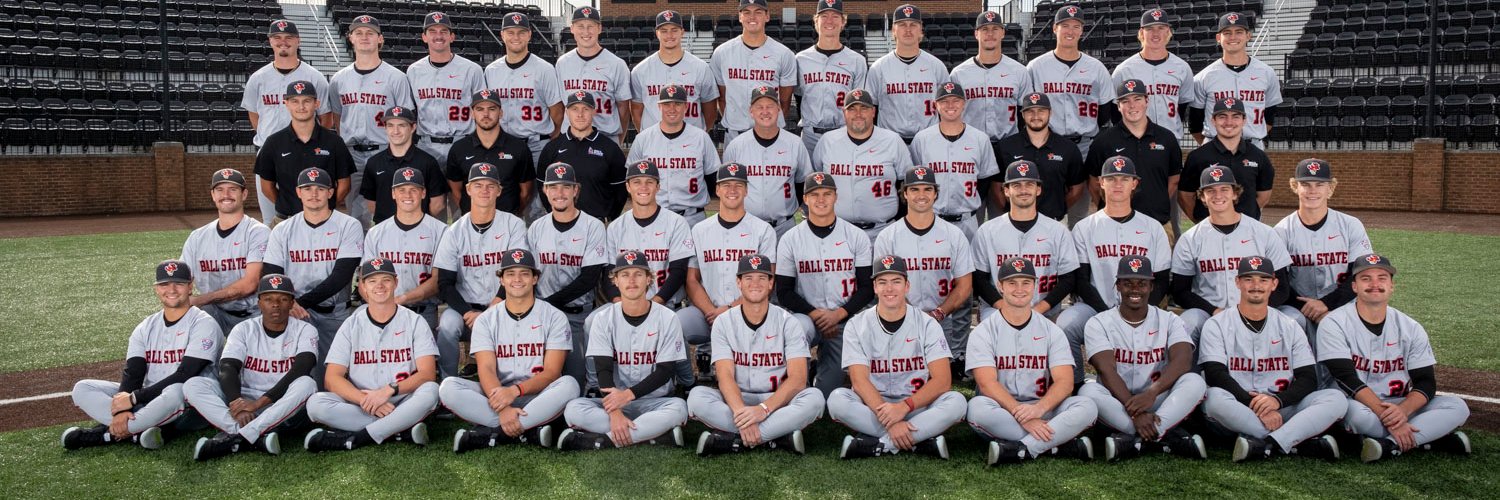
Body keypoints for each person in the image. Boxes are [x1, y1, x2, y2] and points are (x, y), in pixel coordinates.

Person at [1318, 254, 1472, 462]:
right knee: (1358, 416)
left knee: (1457, 406)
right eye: (1366, 278)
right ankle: (1430, 438)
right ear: (1354, 286)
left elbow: (1426, 382)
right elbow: (1346, 379)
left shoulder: (1410, 326)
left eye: (1382, 278)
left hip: (1398, 404)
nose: (1375, 284)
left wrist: (1402, 412)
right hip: (1358, 403)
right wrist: (1390, 418)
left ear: (1392, 286)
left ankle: (1388, 445)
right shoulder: (1334, 323)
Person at [62, 260, 222, 451]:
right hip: (147, 399)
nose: (171, 289)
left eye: (178, 283)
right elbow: (134, 373)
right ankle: (136, 428)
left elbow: (186, 374)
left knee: (178, 390)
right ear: (156, 289)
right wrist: (124, 408)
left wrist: (133, 400)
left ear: (190, 286)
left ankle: (106, 435)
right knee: (83, 388)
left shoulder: (203, 323)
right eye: (164, 284)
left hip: (190, 403)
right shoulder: (146, 326)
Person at [1198, 256, 1344, 462]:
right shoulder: (1217, 324)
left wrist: (1277, 401)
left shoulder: (1290, 325)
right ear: (1237, 282)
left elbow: (1308, 377)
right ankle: (1295, 441)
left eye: (1263, 279)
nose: (1256, 285)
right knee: (1213, 397)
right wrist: (1254, 404)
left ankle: (1268, 443)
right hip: (1241, 405)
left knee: (1335, 398)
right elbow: (1215, 374)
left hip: (1283, 405)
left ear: (1274, 284)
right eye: (1249, 279)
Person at [442, 249, 580, 452]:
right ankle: (530, 430)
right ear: (501, 280)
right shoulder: (486, 320)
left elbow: (552, 372)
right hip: (496, 397)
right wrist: (504, 407)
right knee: (448, 387)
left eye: (524, 273)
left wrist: (515, 391)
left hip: (539, 395)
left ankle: (494, 434)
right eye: (510, 273)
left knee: (569, 385)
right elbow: (486, 369)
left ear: (535, 278)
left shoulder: (554, 316)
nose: (517, 279)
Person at [829, 256, 965, 459]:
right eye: (882, 282)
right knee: (837, 400)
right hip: (874, 409)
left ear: (907, 286)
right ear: (874, 287)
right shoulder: (857, 324)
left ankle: (880, 444)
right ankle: (920, 442)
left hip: (917, 406)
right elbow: (859, 381)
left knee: (957, 401)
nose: (889, 288)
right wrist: (891, 420)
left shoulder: (927, 323)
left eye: (896, 282)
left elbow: (943, 381)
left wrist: (904, 407)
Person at [688, 254, 824, 456]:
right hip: (736, 400)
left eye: (762, 277)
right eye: (748, 278)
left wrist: (763, 410)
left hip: (777, 401)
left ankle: (734, 440)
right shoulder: (724, 322)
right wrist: (741, 413)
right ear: (738, 282)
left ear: (771, 283)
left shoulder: (789, 322)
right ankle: (774, 438)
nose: (755, 283)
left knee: (815, 398)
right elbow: (725, 377)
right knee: (697, 398)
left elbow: (798, 380)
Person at [967, 257, 1097, 464]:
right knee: (976, 408)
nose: (1020, 289)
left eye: (1026, 282)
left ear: (1035, 286)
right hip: (1003, 410)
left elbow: (1065, 383)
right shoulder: (984, 331)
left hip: (1044, 408)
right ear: (1000, 286)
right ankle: (1059, 445)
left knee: (1087, 405)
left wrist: (1038, 410)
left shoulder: (1052, 331)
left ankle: (1022, 449)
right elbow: (986, 383)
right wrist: (1024, 417)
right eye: (1012, 283)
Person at [1079, 256, 1208, 460]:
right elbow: (1106, 370)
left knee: (1194, 381)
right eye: (1128, 283)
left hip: (1158, 399)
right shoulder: (1098, 322)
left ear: (1151, 286)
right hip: (1117, 403)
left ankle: (1135, 440)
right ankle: (1166, 437)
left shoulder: (1169, 320)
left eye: (1142, 283)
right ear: (1118, 285)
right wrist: (1136, 413)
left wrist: (1152, 393)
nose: (1135, 289)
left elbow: (1183, 361)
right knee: (1088, 391)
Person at [304, 259, 440, 452]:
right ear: (363, 287)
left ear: (396, 283)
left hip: (402, 399)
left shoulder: (414, 321)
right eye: (372, 281)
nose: (380, 286)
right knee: (315, 404)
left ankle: (356, 439)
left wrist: (387, 391)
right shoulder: (352, 324)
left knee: (431, 391)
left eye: (386, 279)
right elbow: (332, 378)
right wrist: (364, 400)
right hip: (362, 403)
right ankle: (400, 430)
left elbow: (427, 374)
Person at [558, 251, 690, 450]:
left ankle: (602, 441)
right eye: (625, 275)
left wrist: (627, 395)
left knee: (679, 409)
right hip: (614, 401)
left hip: (656, 401)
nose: (632, 280)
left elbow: (665, 371)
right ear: (616, 281)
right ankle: (654, 436)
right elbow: (603, 371)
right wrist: (615, 412)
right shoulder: (602, 319)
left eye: (638, 274)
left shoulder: (668, 317)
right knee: (573, 409)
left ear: (648, 280)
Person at [1057, 156, 1171, 382]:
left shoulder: (1152, 228)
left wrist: (1139, 313)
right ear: (1101, 182)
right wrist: (1109, 315)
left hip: (1143, 309)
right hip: (1095, 308)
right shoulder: (1085, 228)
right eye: (1111, 178)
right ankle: (1075, 385)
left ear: (1134, 183)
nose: (1118, 184)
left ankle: (1157, 385)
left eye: (1124, 178)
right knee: (1066, 325)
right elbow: (1081, 279)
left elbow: (1161, 280)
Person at [184, 274, 318, 460]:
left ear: (292, 303)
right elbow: (228, 367)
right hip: (244, 401)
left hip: (281, 404)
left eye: (283, 299)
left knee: (306, 384)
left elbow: (301, 369)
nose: (275, 304)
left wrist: (258, 404)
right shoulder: (244, 329)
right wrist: (236, 402)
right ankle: (255, 435)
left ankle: (236, 437)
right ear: (259, 302)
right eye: (268, 299)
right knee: (193, 384)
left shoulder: (305, 330)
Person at [775, 172, 873, 396]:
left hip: (843, 319)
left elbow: (867, 289)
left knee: (827, 393)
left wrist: (838, 314)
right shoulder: (791, 238)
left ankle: (819, 371)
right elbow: (783, 292)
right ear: (805, 199)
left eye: (827, 194)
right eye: (814, 194)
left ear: (835, 197)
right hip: (806, 318)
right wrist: (815, 314)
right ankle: (797, 374)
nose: (821, 199)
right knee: (796, 328)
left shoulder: (856, 236)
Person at [873, 167, 975, 381]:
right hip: (897, 318)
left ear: (936, 193)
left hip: (941, 319)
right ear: (905, 194)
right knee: (899, 380)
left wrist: (938, 314)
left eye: (927, 189)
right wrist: (913, 316)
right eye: (915, 189)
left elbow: (965, 286)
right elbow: (882, 285)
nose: (921, 195)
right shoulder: (888, 236)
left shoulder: (954, 235)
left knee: (937, 384)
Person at [600, 160, 696, 386]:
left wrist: (657, 301)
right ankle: (597, 384)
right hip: (624, 305)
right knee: (593, 322)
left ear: (657, 186)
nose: (643, 187)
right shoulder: (616, 227)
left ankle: (686, 382)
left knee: (677, 325)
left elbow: (679, 270)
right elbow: (607, 272)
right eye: (637, 182)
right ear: (628, 186)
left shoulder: (676, 222)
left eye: (649, 182)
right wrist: (617, 302)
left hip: (665, 303)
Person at [1171, 166, 1292, 346]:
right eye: (1210, 190)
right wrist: (1213, 310)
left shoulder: (1263, 233)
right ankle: (1190, 375)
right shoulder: (1190, 239)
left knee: (1295, 319)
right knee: (1187, 323)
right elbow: (1180, 291)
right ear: (1202, 197)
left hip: (1259, 308)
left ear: (1235, 194)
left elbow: (1282, 286)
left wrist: (1255, 310)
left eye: (1224, 189)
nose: (1217, 195)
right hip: (1210, 313)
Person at [679, 163, 778, 381]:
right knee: (678, 322)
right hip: (708, 313)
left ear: (746, 190)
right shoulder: (699, 230)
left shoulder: (762, 230)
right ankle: (686, 380)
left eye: (738, 185)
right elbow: (692, 280)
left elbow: (767, 281)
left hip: (749, 310)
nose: (732, 190)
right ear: (717, 189)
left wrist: (729, 309)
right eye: (726, 185)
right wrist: (711, 311)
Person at [261, 167, 364, 372]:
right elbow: (272, 275)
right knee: (291, 374)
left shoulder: (349, 225)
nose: (314, 193)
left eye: (320, 188)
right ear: (298, 192)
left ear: (331, 192)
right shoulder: (283, 229)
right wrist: (290, 305)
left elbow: (340, 277)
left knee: (332, 375)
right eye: (307, 188)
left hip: (333, 315)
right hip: (293, 313)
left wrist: (298, 303)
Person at [434, 163, 530, 379]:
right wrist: (468, 313)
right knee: (448, 327)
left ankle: (510, 380)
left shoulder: (513, 225)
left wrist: (491, 310)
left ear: (499, 190)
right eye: (478, 185)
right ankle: (446, 384)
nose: (484, 190)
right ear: (468, 189)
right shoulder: (454, 231)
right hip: (464, 309)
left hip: (504, 303)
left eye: (490, 185)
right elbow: (444, 283)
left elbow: (518, 275)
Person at [1028, 4, 1116, 226]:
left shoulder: (1096, 68)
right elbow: (1028, 109)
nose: (1070, 30)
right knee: (1045, 208)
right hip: (1048, 144)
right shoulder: (1036, 67)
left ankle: (1078, 259)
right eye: (1065, 25)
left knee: (1079, 214)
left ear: (1082, 31)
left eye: (1076, 26)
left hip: (1084, 145)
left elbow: (1105, 110)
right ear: (1055, 29)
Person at [527, 163, 609, 391]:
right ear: (545, 191)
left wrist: (548, 304)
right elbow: (529, 274)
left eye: (566, 186)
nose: (559, 193)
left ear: (576, 190)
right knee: (536, 378)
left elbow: (590, 278)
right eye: (553, 187)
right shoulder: (536, 228)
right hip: (541, 317)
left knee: (575, 380)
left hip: (576, 316)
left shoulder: (593, 226)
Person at [328, 14, 415, 227]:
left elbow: (407, 118)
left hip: (386, 151)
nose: (364, 37)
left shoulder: (396, 77)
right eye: (359, 33)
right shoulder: (339, 79)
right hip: (352, 154)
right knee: (356, 215)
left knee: (393, 211)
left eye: (370, 33)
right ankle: (361, 259)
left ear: (380, 39)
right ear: (351, 38)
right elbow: (337, 117)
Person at [971, 161, 1079, 329]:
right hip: (998, 309)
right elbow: (978, 278)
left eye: (1029, 184)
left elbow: (1068, 279)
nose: (1023, 190)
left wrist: (1038, 309)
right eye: (1016, 185)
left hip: (1046, 311)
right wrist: (1003, 307)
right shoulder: (987, 231)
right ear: (1006, 190)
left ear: (1038, 189)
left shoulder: (1057, 231)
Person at [242, 19, 331, 223]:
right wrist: (274, 142)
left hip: (306, 153)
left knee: (311, 214)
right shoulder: (258, 78)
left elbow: (326, 117)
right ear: (270, 41)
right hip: (268, 153)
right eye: (277, 38)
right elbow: (254, 116)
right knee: (271, 218)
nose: (283, 42)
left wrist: (312, 141)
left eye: (289, 38)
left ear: (298, 41)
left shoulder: (314, 76)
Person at [1273, 158, 1372, 339]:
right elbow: (1279, 282)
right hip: (1296, 305)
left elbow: (1361, 274)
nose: (1312, 191)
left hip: (1342, 302)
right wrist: (1310, 308)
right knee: (1289, 322)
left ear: (1330, 188)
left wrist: (1327, 304)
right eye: (1306, 184)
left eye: (1320, 184)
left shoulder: (1350, 225)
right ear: (1295, 187)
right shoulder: (1281, 231)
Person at [812, 88, 913, 241]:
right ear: (844, 113)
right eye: (852, 109)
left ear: (873, 112)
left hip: (883, 230)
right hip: (837, 231)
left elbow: (906, 184)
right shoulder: (827, 141)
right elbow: (817, 180)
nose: (858, 114)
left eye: (863, 108)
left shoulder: (892, 141)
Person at [1084, 80, 1182, 234]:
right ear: (1118, 106)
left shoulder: (1166, 138)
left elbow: (1174, 180)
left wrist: (1156, 203)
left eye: (1137, 99)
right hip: (1113, 226)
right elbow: (1093, 184)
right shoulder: (1103, 141)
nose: (1132, 106)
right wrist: (1112, 206)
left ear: (1147, 101)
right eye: (1125, 101)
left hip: (1157, 224)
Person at [909, 82, 1001, 241]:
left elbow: (985, 179)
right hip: (932, 218)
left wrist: (969, 200)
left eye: (955, 100)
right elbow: (915, 180)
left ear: (964, 103)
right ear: (935, 105)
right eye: (944, 101)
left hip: (968, 220)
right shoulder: (922, 139)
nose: (950, 105)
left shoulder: (980, 139)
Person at [253, 82, 355, 225]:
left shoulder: (335, 142)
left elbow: (344, 184)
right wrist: (287, 205)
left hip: (326, 220)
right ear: (286, 104)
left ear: (317, 104)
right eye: (295, 101)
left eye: (307, 101)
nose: (301, 107)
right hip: (285, 220)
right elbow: (266, 187)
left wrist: (324, 206)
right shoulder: (273, 143)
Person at [181, 168, 269, 334]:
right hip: (214, 313)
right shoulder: (197, 237)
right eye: (220, 190)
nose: (226, 195)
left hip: (252, 314)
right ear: (213, 195)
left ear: (244, 194)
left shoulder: (258, 232)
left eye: (233, 189)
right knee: (182, 319)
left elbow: (250, 284)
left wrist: (200, 299)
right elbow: (182, 279)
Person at [720, 85, 813, 236]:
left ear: (779, 109)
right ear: (751, 111)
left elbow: (803, 184)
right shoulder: (736, 146)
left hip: (784, 227)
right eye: (759, 107)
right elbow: (726, 189)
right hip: (745, 227)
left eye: (770, 106)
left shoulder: (795, 144)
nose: (765, 111)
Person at [362, 166, 447, 330]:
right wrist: (380, 304)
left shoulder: (441, 231)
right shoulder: (376, 233)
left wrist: (403, 298)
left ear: (423, 193)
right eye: (402, 190)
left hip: (424, 311)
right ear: (393, 193)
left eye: (413, 190)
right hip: (383, 309)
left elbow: (439, 281)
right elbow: (364, 281)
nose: (407, 195)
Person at [626, 84, 721, 226]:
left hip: (693, 217)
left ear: (686, 107)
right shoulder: (643, 138)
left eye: (677, 104)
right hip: (654, 217)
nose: (672, 109)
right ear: (659, 107)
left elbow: (713, 179)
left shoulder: (701, 138)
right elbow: (631, 179)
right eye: (667, 104)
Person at [711, 0, 797, 146]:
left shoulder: (783, 54)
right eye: (746, 12)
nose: (752, 17)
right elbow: (721, 98)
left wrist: (767, 125)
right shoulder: (722, 53)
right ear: (740, 16)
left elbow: (784, 102)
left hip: (772, 136)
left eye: (758, 12)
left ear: (767, 16)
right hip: (734, 135)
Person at [406, 11, 487, 166]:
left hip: (463, 142)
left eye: (444, 31)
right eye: (432, 31)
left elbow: (482, 110)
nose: (439, 36)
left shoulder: (472, 69)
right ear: (424, 37)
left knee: (464, 190)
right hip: (426, 145)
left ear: (452, 36)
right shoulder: (413, 71)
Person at [1190, 12, 1282, 148]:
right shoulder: (1203, 77)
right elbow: (1195, 124)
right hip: (1214, 146)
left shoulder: (1267, 73)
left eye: (1239, 32)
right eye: (1227, 33)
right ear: (1218, 38)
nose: (1233, 37)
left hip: (1253, 146)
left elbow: (1269, 118)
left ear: (1248, 36)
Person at [484, 11, 564, 167]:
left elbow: (557, 112)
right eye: (510, 32)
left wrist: (549, 141)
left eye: (521, 33)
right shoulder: (491, 70)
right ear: (502, 35)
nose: (516, 37)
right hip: (503, 145)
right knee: (505, 190)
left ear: (529, 35)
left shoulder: (544, 69)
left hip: (537, 144)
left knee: (539, 191)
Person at [994, 92, 1086, 222]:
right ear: (1022, 114)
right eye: (1030, 111)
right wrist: (1008, 210)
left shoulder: (1067, 148)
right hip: (1015, 221)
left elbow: (1076, 189)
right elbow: (997, 188)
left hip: (1054, 221)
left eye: (1041, 111)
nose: (1036, 116)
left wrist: (1059, 209)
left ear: (1050, 113)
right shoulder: (1006, 146)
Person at [1179, 97, 1275, 221]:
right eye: (1222, 116)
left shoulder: (1258, 156)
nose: (1229, 122)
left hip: (1247, 231)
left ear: (1244, 120)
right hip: (1209, 231)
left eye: (1235, 116)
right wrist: (1200, 221)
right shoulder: (1197, 157)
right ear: (1213, 120)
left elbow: (1263, 196)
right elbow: (1185, 195)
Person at [536, 92, 628, 221]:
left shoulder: (609, 148)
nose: (580, 114)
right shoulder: (553, 148)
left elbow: (620, 190)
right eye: (575, 109)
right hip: (561, 223)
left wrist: (609, 217)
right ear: (567, 112)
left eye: (585, 109)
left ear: (594, 112)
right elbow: (542, 186)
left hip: (598, 223)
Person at [866, 4, 950, 143]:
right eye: (902, 25)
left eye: (913, 25)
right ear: (894, 30)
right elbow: (871, 110)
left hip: (930, 140)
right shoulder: (878, 68)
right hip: (890, 142)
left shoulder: (936, 66)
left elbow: (947, 107)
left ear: (921, 30)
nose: (908, 30)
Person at [444, 90, 535, 218]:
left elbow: (525, 193)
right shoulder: (459, 149)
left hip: (508, 221)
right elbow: (456, 191)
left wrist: (512, 215)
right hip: (471, 222)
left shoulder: (518, 148)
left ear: (501, 113)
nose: (486, 114)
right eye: (480, 109)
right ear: (472, 114)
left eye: (492, 109)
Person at [949, 11, 1031, 152]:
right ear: (976, 34)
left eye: (995, 29)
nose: (990, 34)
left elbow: (1026, 113)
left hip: (1009, 144)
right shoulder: (959, 73)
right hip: (970, 145)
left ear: (1003, 33)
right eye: (985, 29)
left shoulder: (1019, 71)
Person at [1111, 8, 1197, 140]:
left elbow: (1182, 106)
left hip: (1171, 140)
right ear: (1141, 33)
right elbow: (1115, 110)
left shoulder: (1182, 68)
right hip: (1135, 140)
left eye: (1161, 28)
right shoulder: (1124, 69)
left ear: (1168, 32)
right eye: (1150, 29)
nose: (1156, 33)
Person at [794, 0, 867, 154]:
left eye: (835, 16)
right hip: (810, 135)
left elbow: (858, 102)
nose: (829, 21)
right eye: (824, 16)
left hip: (843, 133)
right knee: (808, 178)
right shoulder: (800, 59)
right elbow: (798, 96)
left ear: (843, 22)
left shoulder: (856, 60)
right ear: (816, 21)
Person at [631, 10, 720, 134]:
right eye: (664, 31)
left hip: (691, 139)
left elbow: (710, 112)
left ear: (682, 32)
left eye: (674, 30)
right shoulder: (640, 70)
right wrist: (649, 136)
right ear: (657, 33)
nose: (669, 35)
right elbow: (636, 111)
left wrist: (698, 134)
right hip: (654, 142)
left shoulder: (701, 68)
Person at [359, 106, 448, 225]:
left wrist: (415, 222)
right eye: (390, 125)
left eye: (401, 125)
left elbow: (437, 204)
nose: (395, 131)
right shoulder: (374, 163)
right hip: (385, 229)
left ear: (413, 128)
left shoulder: (428, 162)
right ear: (385, 128)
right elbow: (371, 204)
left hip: (421, 229)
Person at [556, 6, 633, 144]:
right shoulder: (562, 63)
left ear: (599, 28)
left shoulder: (616, 64)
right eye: (580, 26)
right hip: (571, 139)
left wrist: (617, 139)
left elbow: (624, 107)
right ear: (572, 28)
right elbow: (561, 106)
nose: (586, 32)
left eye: (590, 26)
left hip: (606, 137)